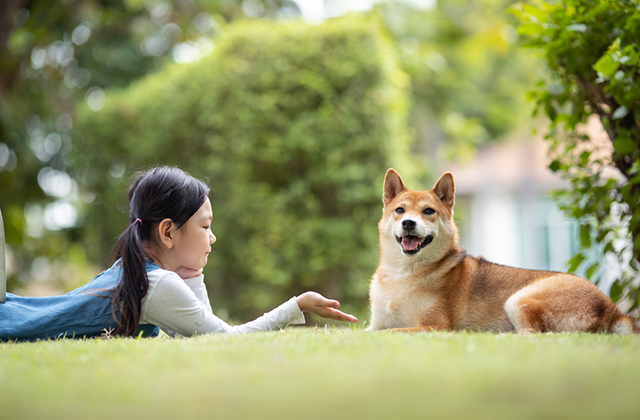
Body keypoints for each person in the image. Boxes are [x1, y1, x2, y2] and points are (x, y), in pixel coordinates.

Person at [0, 166, 357, 341]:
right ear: (168, 232)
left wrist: (192, 274)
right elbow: (220, 340)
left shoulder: (140, 271)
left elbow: (197, 330)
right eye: (205, 227)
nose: (212, 238)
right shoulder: (156, 285)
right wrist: (295, 306)